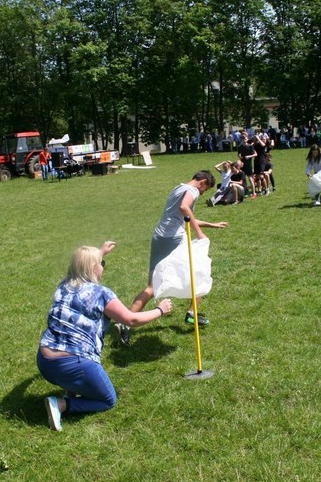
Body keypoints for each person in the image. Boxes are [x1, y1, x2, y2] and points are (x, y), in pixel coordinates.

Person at [37, 242, 173, 431]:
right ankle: (61, 405)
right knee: (108, 400)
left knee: (72, 339)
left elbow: (82, 264)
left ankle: (70, 392)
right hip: (73, 364)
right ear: (93, 267)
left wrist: (99, 253)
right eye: (102, 263)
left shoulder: (64, 285)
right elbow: (131, 319)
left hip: (44, 362)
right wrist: (160, 310)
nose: (103, 267)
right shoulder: (101, 294)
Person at [124, 171, 228, 330]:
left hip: (159, 237)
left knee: (151, 287)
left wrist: (211, 224)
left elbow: (185, 217)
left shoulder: (178, 188)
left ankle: (124, 323)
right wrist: (199, 233)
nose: (202, 193)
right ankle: (191, 314)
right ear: (203, 182)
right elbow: (184, 208)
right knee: (200, 273)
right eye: (205, 189)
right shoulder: (193, 190)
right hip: (175, 238)